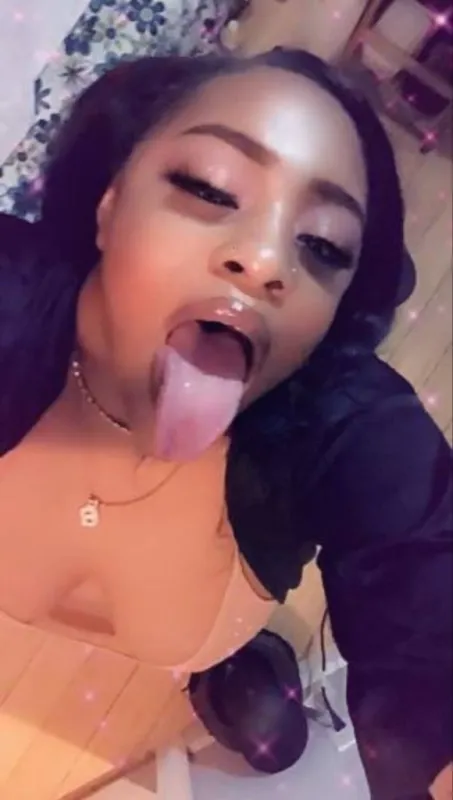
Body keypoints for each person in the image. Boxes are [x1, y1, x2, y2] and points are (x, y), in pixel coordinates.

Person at [0, 48, 451, 800]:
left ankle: (223, 668)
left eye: (323, 247)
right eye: (209, 188)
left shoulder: (343, 429)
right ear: (110, 203)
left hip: (205, 633)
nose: (266, 260)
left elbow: (428, 586)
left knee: (225, 671)